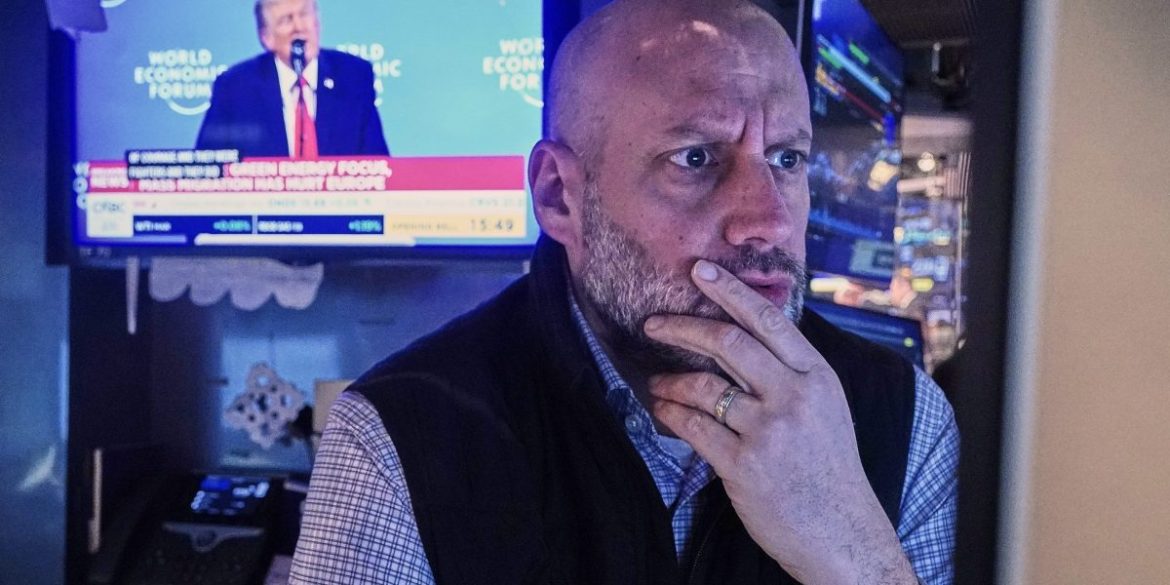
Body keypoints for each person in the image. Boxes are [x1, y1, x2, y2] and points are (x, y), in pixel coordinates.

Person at [291, 0, 958, 583]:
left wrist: (852, 547)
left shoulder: (905, 418)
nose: (771, 220)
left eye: (787, 158)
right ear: (559, 195)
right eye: (695, 158)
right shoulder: (402, 437)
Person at [195, 0, 389, 158]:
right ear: (266, 37)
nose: (299, 27)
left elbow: (378, 166)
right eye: (286, 20)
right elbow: (209, 168)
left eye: (304, 14)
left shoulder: (354, 77)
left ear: (317, 23)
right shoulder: (236, 87)